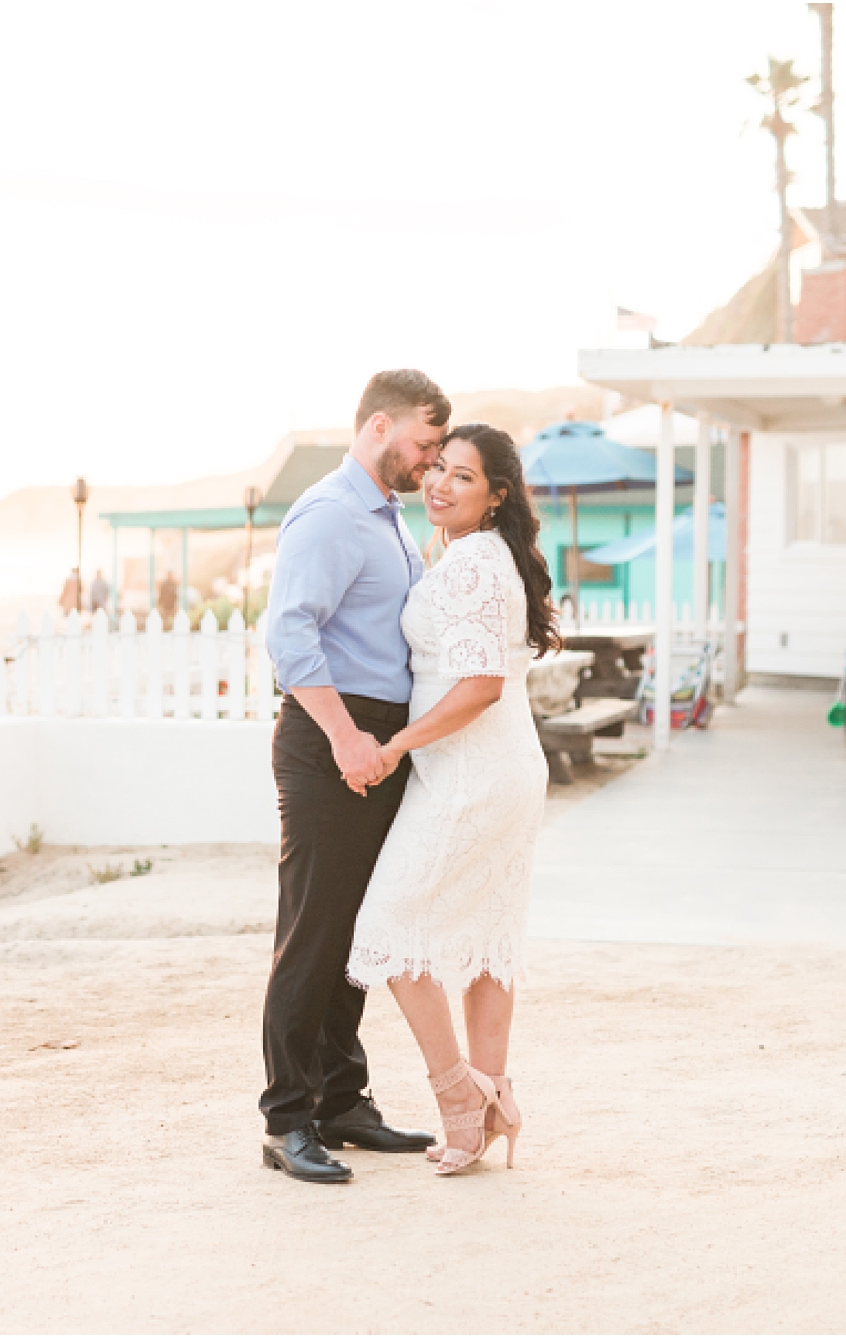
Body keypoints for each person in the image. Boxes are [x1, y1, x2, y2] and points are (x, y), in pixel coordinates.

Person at [347, 422, 558, 1176]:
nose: (438, 484)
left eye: (462, 477)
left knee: (390, 931)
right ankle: (493, 1097)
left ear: (496, 497)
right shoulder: (488, 555)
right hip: (503, 768)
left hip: (472, 773)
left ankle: (458, 1101)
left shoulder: (471, 565)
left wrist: (396, 745)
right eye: (438, 468)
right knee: (488, 939)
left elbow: (479, 685)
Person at [258, 369, 451, 1183]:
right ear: (378, 427)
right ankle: (287, 1119)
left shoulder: (392, 521)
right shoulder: (333, 515)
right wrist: (344, 738)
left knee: (356, 936)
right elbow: (290, 639)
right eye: (425, 442)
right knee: (313, 932)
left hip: (378, 738)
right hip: (331, 737)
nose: (433, 460)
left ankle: (341, 1101)